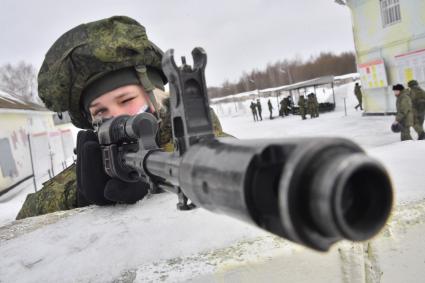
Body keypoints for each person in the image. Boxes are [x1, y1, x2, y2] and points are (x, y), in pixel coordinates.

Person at [16, 16, 226, 220]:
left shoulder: (192, 137)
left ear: (156, 96)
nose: (116, 115)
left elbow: (228, 166)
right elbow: (22, 222)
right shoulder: (99, 157)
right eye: (100, 111)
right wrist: (78, 196)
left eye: (126, 100)